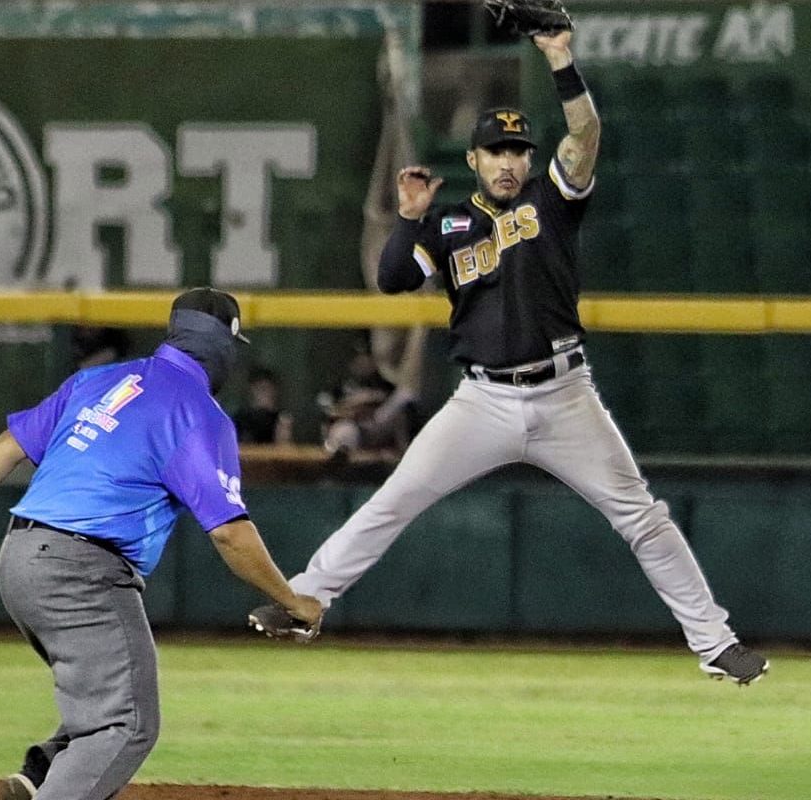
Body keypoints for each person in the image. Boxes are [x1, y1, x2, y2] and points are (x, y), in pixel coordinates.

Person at [247, 25, 768, 684]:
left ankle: (715, 643)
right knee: (393, 500)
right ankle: (305, 602)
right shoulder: (446, 225)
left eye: (517, 150)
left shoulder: (551, 201)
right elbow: (393, 280)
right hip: (484, 400)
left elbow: (584, 138)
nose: (508, 161)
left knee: (641, 515)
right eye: (496, 151)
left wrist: (560, 60)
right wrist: (409, 216)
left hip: (564, 394)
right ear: (474, 160)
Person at [0, 288, 324, 800]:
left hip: (18, 558)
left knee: (110, 694)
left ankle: (42, 775)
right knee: (127, 724)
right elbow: (228, 532)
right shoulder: (198, 412)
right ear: (222, 345)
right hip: (82, 570)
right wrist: (295, 601)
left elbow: (9, 445)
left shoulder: (98, 378)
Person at [316, 342, 416, 462]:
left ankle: (403, 455)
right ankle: (339, 458)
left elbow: (391, 401)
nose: (363, 362)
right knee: (345, 430)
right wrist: (353, 405)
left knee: (404, 396)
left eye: (367, 357)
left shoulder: (382, 379)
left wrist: (373, 398)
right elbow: (329, 411)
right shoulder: (343, 385)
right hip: (353, 426)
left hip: (376, 423)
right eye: (359, 358)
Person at [234, 366, 294, 445]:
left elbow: (287, 451)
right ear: (252, 391)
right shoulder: (240, 419)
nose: (265, 394)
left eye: (268, 389)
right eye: (261, 389)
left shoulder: (281, 420)